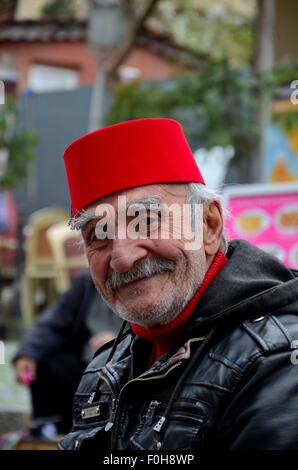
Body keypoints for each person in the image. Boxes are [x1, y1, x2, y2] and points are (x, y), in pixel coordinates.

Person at [59, 118, 298, 450]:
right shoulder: (105, 369)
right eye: (97, 235)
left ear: (209, 225)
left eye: (146, 220)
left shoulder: (278, 360)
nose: (123, 257)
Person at [13, 270, 121, 436]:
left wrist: (119, 345)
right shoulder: (86, 282)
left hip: (125, 371)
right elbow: (54, 322)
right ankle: (49, 428)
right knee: (46, 360)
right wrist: (28, 353)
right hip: (86, 367)